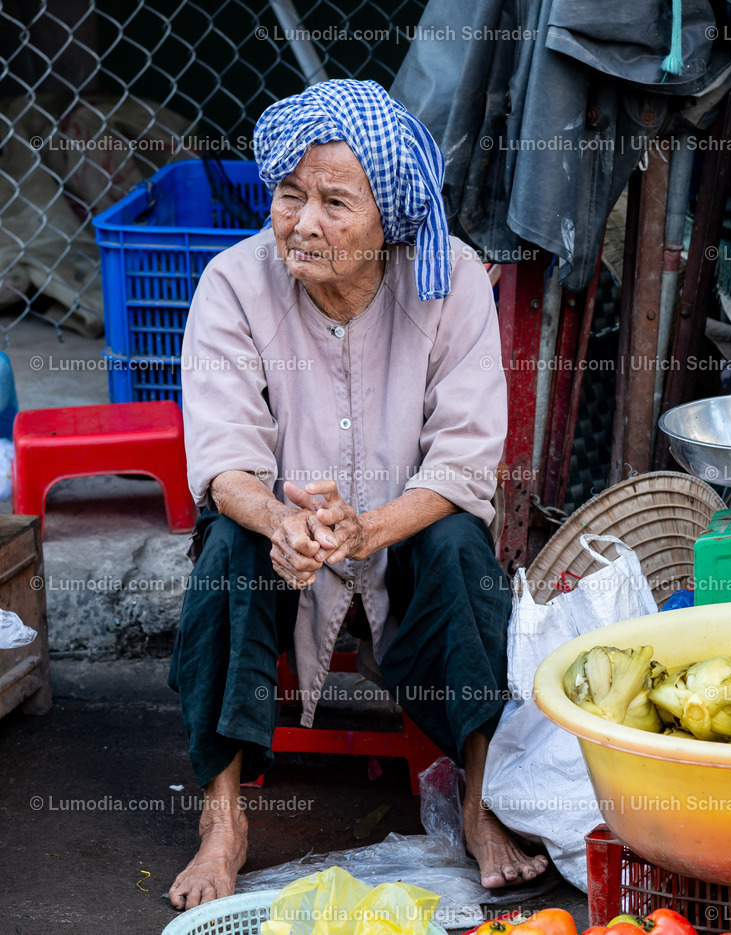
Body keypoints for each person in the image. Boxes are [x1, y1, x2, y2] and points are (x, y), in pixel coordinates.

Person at [167, 79, 548, 910]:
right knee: (226, 546)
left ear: (391, 223)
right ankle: (222, 818)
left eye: (335, 202)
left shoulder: (450, 281)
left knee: (460, 547)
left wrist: (367, 529)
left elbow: (463, 462)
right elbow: (226, 463)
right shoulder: (234, 284)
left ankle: (480, 801)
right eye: (290, 195)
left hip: (403, 535)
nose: (303, 223)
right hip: (281, 543)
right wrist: (282, 522)